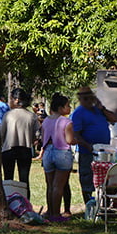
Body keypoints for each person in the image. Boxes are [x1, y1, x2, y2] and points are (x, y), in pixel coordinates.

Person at [70, 86, 117, 202]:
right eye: (85, 99)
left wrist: (102, 108)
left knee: (106, 177)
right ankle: (89, 203)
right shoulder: (78, 113)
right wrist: (88, 146)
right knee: (87, 178)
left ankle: (104, 203)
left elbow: (114, 119)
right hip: (87, 152)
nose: (88, 100)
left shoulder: (98, 110)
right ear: (80, 99)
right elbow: (76, 135)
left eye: (90, 98)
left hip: (104, 151)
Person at [40, 93, 75, 222]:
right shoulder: (67, 122)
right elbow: (69, 140)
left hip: (48, 152)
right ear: (61, 108)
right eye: (67, 106)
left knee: (50, 185)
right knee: (58, 186)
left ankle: (50, 212)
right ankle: (56, 215)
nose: (69, 108)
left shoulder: (46, 121)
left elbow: (43, 139)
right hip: (62, 153)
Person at [0, 88, 38, 192]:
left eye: (11, 99)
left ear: (16, 100)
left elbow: (1, 134)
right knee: (24, 181)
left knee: (8, 179)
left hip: (8, 149)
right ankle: (26, 204)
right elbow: (37, 135)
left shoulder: (8, 115)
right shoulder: (32, 116)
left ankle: (9, 202)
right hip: (25, 150)